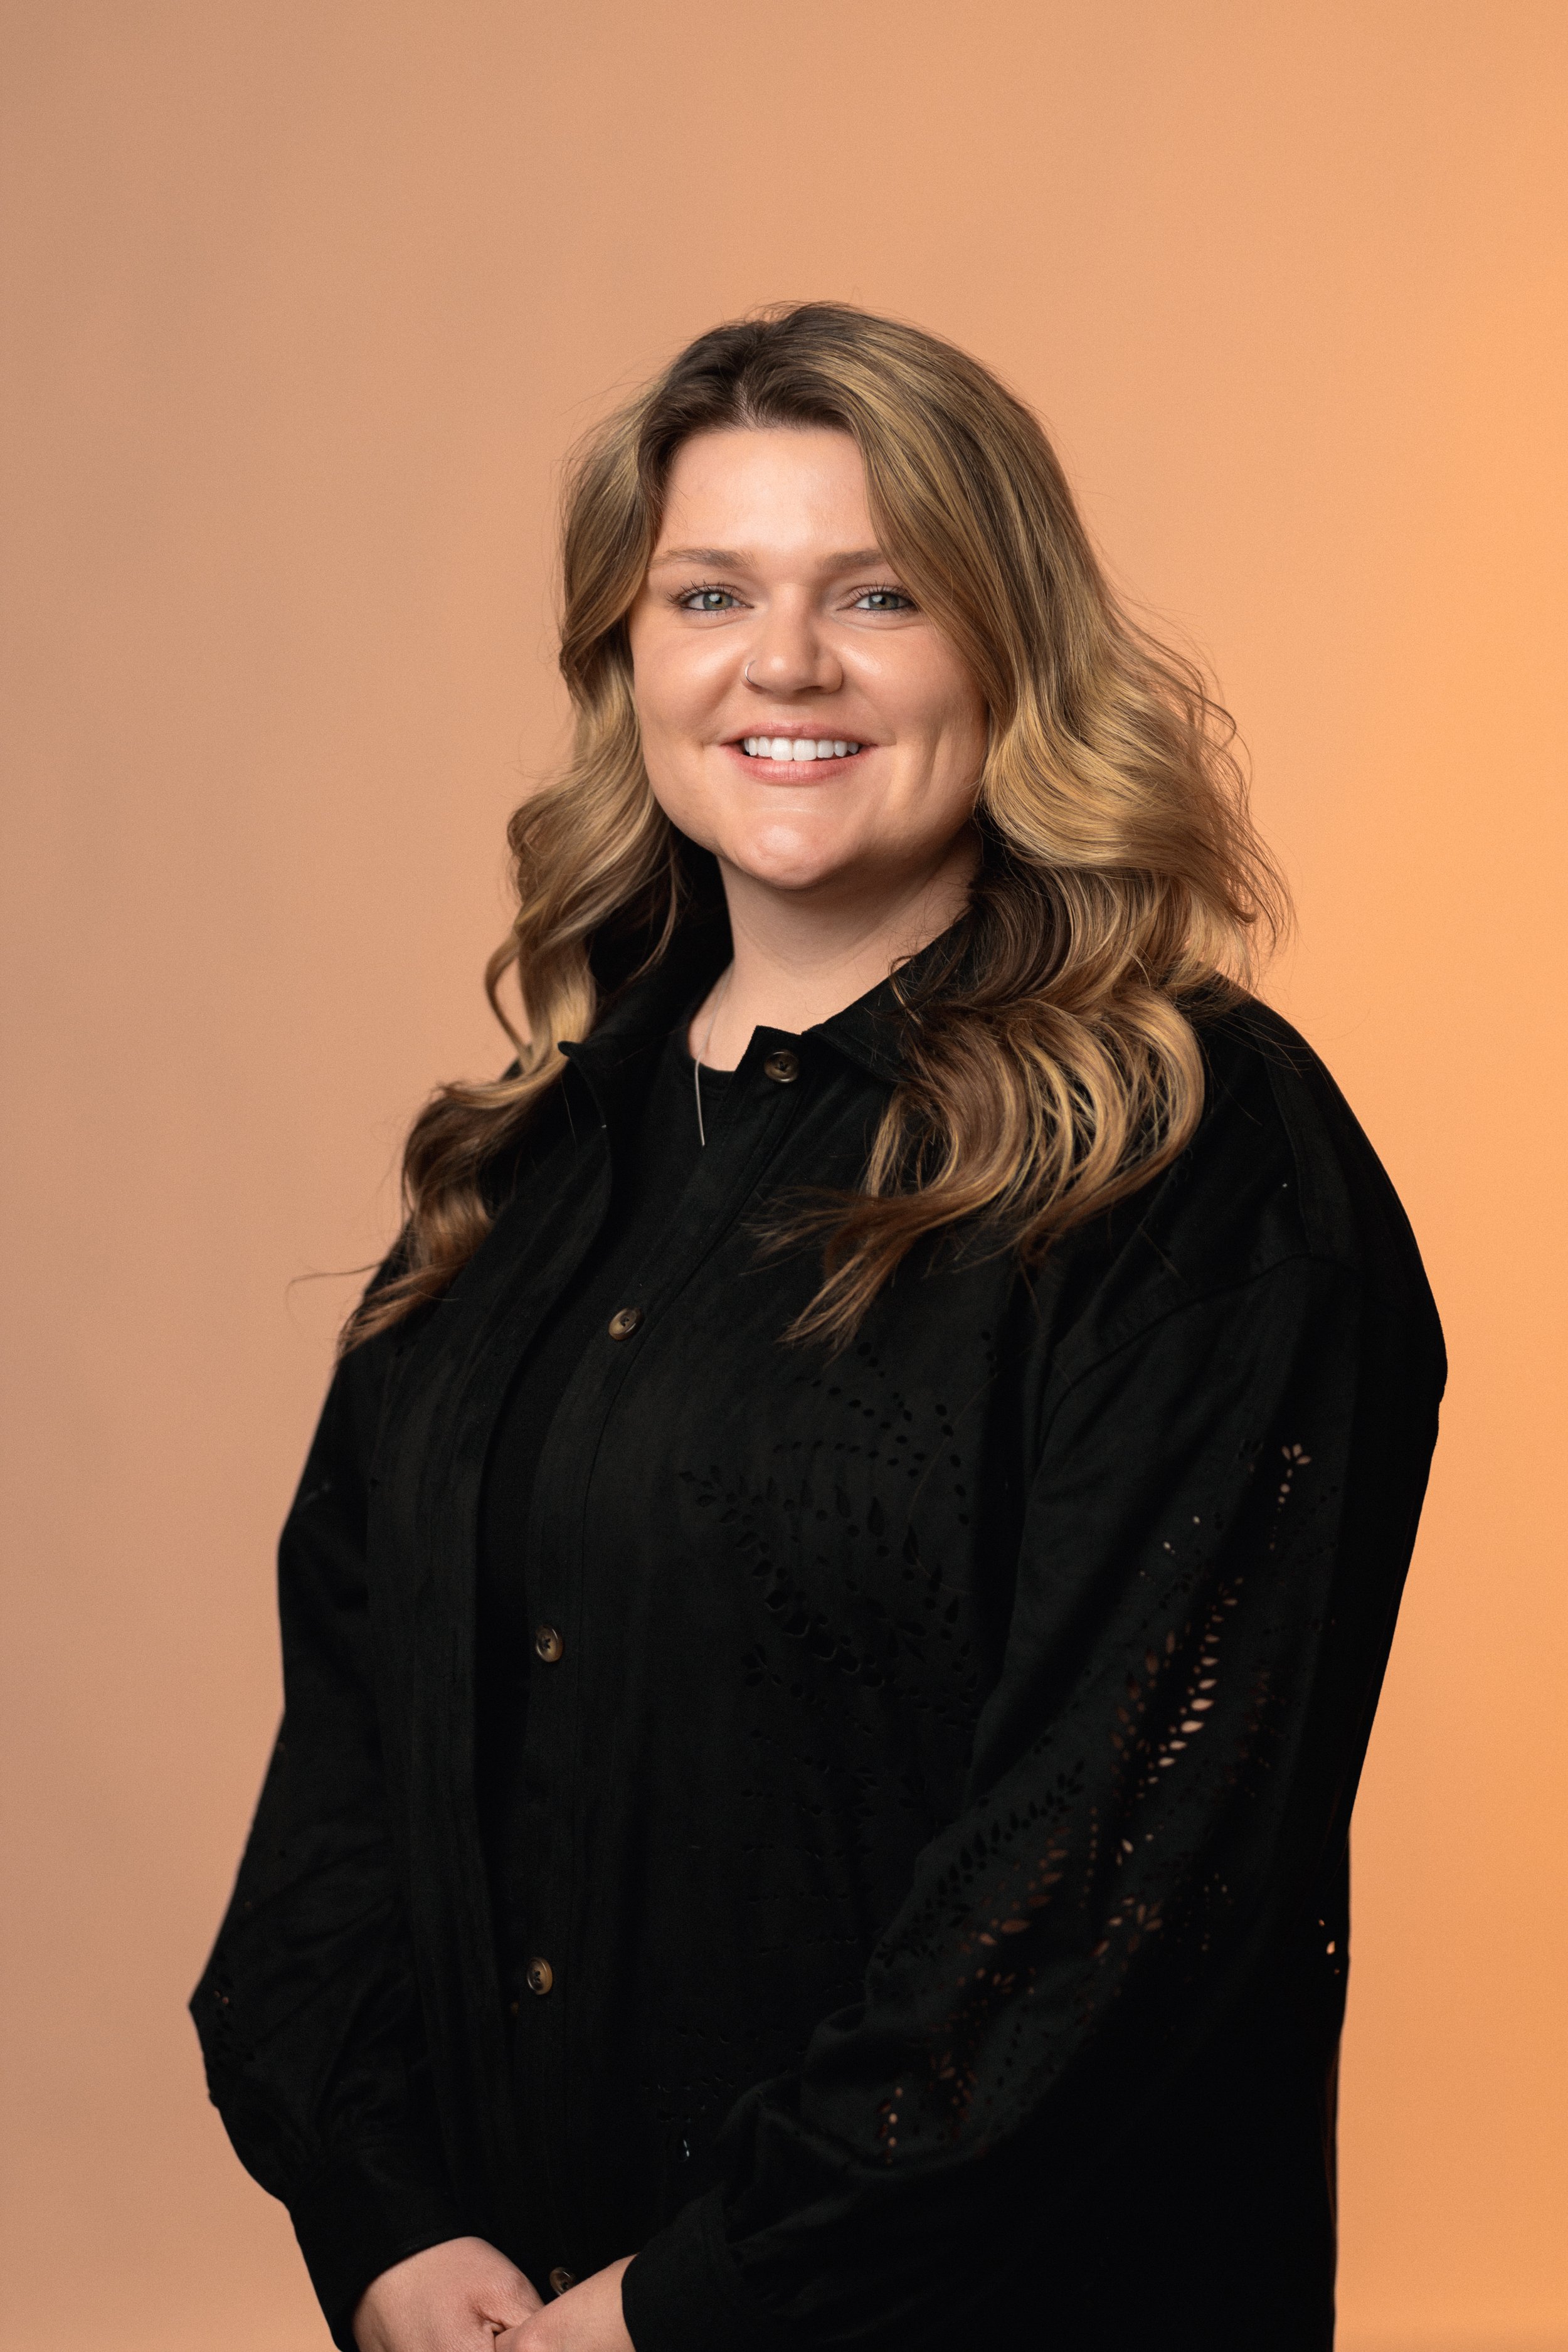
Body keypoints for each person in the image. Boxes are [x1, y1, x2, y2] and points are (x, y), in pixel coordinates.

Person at [193, 304, 1444, 2352]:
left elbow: (1123, 1881)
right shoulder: (516, 1174)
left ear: (1009, 650)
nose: (785, 664)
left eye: (880, 593)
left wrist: (684, 2303)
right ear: (628, 660)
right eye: (711, 593)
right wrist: (390, 2222)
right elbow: (344, 1780)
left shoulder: (1193, 1151)